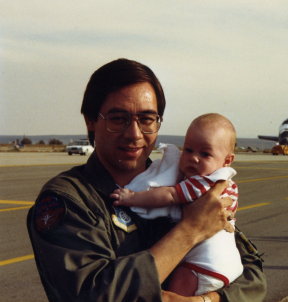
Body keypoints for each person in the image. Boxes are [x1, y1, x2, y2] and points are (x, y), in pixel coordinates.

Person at [26, 58, 267, 302]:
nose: (134, 134)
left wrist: (208, 300)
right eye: (118, 119)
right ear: (91, 120)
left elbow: (253, 276)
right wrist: (190, 231)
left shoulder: (181, 179)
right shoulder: (69, 199)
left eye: (147, 119)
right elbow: (94, 294)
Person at [110, 113, 243, 296]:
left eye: (205, 154)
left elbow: (169, 194)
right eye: (188, 150)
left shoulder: (203, 183)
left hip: (203, 265)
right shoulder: (226, 183)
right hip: (224, 264)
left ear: (227, 161)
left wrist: (132, 197)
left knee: (174, 294)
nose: (194, 158)